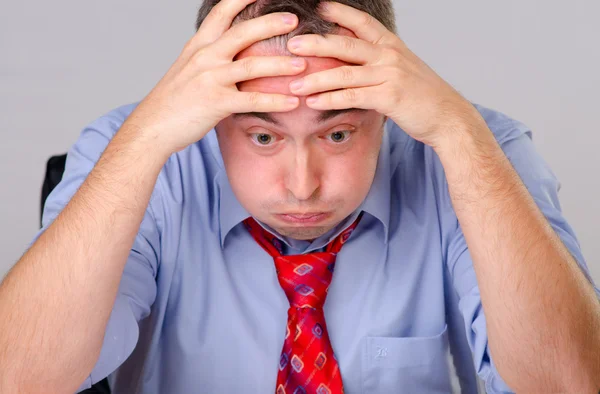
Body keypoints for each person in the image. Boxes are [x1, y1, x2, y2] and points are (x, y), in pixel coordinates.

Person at [1, 0, 599, 392]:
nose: (301, 184)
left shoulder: (475, 145)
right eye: (262, 135)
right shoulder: (136, 149)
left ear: (386, 108)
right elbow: (19, 377)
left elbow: (571, 384)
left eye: (338, 133)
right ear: (212, 115)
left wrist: (457, 132)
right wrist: (145, 140)